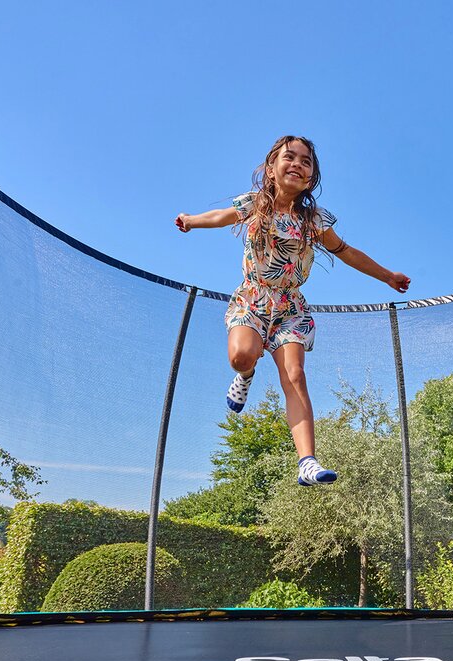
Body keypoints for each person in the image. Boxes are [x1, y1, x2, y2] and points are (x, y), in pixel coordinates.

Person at [175, 135, 410, 486]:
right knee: (241, 355)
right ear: (271, 168)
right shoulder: (255, 204)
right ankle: (245, 374)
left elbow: (347, 252)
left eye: (306, 161)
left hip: (290, 307)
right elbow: (221, 216)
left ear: (311, 178)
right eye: (289, 157)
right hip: (253, 299)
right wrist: (192, 220)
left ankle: (307, 462)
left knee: (295, 375)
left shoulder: (314, 220)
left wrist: (387, 276)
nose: (297, 164)